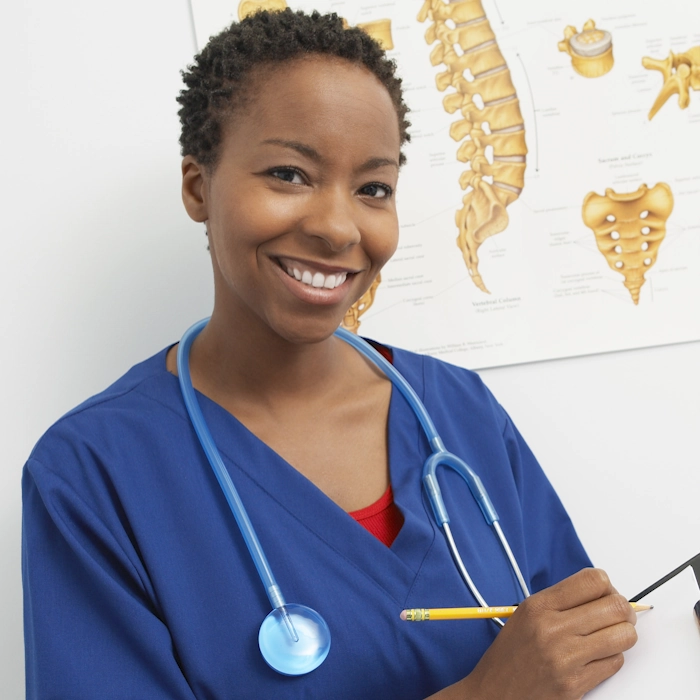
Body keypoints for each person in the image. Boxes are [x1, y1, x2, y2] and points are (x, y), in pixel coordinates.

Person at [22, 9, 637, 699]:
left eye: (373, 188)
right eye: (289, 174)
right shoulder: (94, 471)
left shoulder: (459, 411)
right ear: (198, 186)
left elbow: (587, 662)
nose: (339, 227)